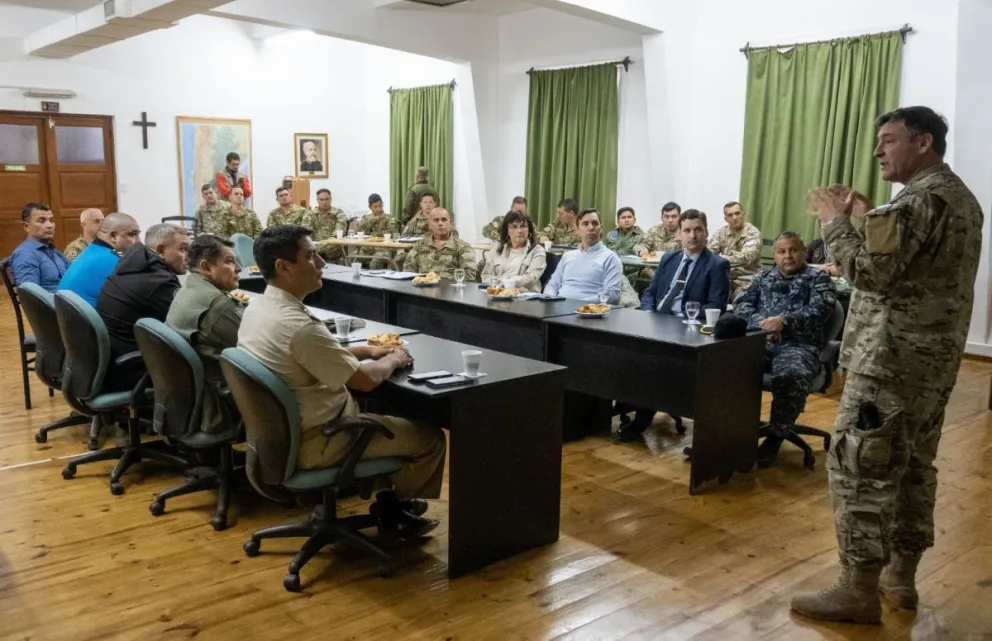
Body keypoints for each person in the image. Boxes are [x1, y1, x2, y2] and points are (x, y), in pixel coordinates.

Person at [791, 106, 983, 624]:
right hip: (932, 366)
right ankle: (901, 580)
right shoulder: (959, 197)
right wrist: (870, 218)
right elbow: (912, 268)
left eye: (889, 139)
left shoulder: (919, 200)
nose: (878, 150)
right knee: (914, 469)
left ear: (923, 143)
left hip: (890, 364)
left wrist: (835, 222)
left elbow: (870, 274)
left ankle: (856, 590)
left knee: (860, 470)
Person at [238, 225, 446, 535]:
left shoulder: (260, 308)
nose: (321, 263)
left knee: (390, 412)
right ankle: (396, 512)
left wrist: (367, 349)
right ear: (283, 267)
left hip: (282, 436)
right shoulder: (299, 326)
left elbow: (312, 354)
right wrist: (394, 358)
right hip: (323, 437)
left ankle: (389, 501)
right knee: (430, 438)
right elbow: (363, 380)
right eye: (310, 256)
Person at [616, 210, 730, 442]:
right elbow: (650, 293)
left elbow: (715, 305)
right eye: (687, 230)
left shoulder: (717, 265)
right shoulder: (669, 259)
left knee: (655, 358)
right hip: (654, 320)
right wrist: (647, 312)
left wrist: (681, 317)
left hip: (685, 328)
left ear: (706, 232)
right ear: (679, 234)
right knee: (617, 346)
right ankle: (623, 399)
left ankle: (643, 416)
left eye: (698, 230)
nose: (693, 235)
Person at [733, 231, 836, 466]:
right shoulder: (762, 277)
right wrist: (763, 323)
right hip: (761, 340)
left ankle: (776, 436)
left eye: (793, 250)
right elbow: (741, 304)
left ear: (803, 252)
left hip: (799, 346)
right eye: (782, 251)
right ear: (775, 255)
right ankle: (730, 430)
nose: (787, 256)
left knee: (790, 375)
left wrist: (784, 321)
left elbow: (822, 309)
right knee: (723, 364)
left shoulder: (818, 278)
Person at [166, 235, 244, 434]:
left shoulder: (188, 289)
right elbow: (259, 349)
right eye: (229, 261)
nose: (238, 268)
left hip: (189, 397)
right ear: (207, 267)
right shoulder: (218, 307)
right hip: (217, 403)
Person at [97, 224, 189, 392]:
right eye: (183, 249)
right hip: (132, 370)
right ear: (161, 250)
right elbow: (185, 325)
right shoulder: (159, 281)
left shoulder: (130, 265)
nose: (188, 257)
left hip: (111, 361)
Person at [58, 213, 141, 307]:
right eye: (132, 234)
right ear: (113, 236)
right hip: (92, 320)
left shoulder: (91, 251)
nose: (138, 241)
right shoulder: (116, 262)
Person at [543, 209, 622, 303]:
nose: (591, 227)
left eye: (595, 223)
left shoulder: (610, 258)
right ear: (576, 230)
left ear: (601, 228)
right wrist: (551, 300)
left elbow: (612, 295)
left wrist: (579, 304)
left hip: (590, 312)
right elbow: (552, 285)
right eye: (585, 224)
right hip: (558, 309)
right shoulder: (567, 256)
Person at [479, 210, 547, 292]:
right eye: (514, 227)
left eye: (523, 226)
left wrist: (504, 281)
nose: (519, 231)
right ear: (507, 230)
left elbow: (530, 279)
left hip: (525, 298)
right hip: (498, 295)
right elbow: (485, 276)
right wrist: (503, 283)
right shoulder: (497, 248)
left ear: (529, 229)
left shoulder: (537, 250)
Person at [10, 203, 70, 293]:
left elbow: (75, 274)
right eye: (42, 221)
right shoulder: (24, 254)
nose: (49, 225)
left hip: (71, 301)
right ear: (26, 227)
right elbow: (31, 297)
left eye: (51, 220)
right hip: (55, 305)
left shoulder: (53, 250)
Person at [403, 208, 477, 281]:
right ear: (429, 225)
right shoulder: (419, 245)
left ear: (450, 223)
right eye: (436, 220)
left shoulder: (463, 247)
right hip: (423, 288)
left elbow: (469, 274)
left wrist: (439, 280)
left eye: (444, 220)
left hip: (450, 289)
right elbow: (408, 269)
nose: (440, 223)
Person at [708, 201, 762, 296]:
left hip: (748, 278)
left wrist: (720, 258)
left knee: (740, 297)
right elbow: (708, 253)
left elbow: (746, 258)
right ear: (725, 219)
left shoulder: (752, 232)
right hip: (725, 278)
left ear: (743, 214)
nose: (735, 218)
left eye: (737, 213)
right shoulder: (721, 233)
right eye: (730, 215)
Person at [354, 193, 398, 270]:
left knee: (376, 261)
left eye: (380, 206)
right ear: (369, 207)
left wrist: (374, 234)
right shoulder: (366, 218)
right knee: (354, 257)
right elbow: (359, 234)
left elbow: (392, 233)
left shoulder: (389, 218)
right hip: (368, 248)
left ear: (383, 204)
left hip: (385, 248)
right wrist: (371, 222)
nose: (378, 209)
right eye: (375, 207)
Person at [307, 188, 348, 264]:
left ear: (331, 199)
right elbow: (307, 232)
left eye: (327, 199)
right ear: (317, 200)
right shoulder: (310, 214)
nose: (324, 202)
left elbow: (338, 233)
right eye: (321, 200)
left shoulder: (339, 213)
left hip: (332, 249)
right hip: (315, 249)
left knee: (334, 244)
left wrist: (318, 246)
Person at [604, 206, 645, 281]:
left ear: (634, 220)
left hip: (632, 272)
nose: (626, 220)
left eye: (629, 217)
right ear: (618, 221)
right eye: (623, 218)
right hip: (611, 269)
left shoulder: (642, 236)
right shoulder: (611, 235)